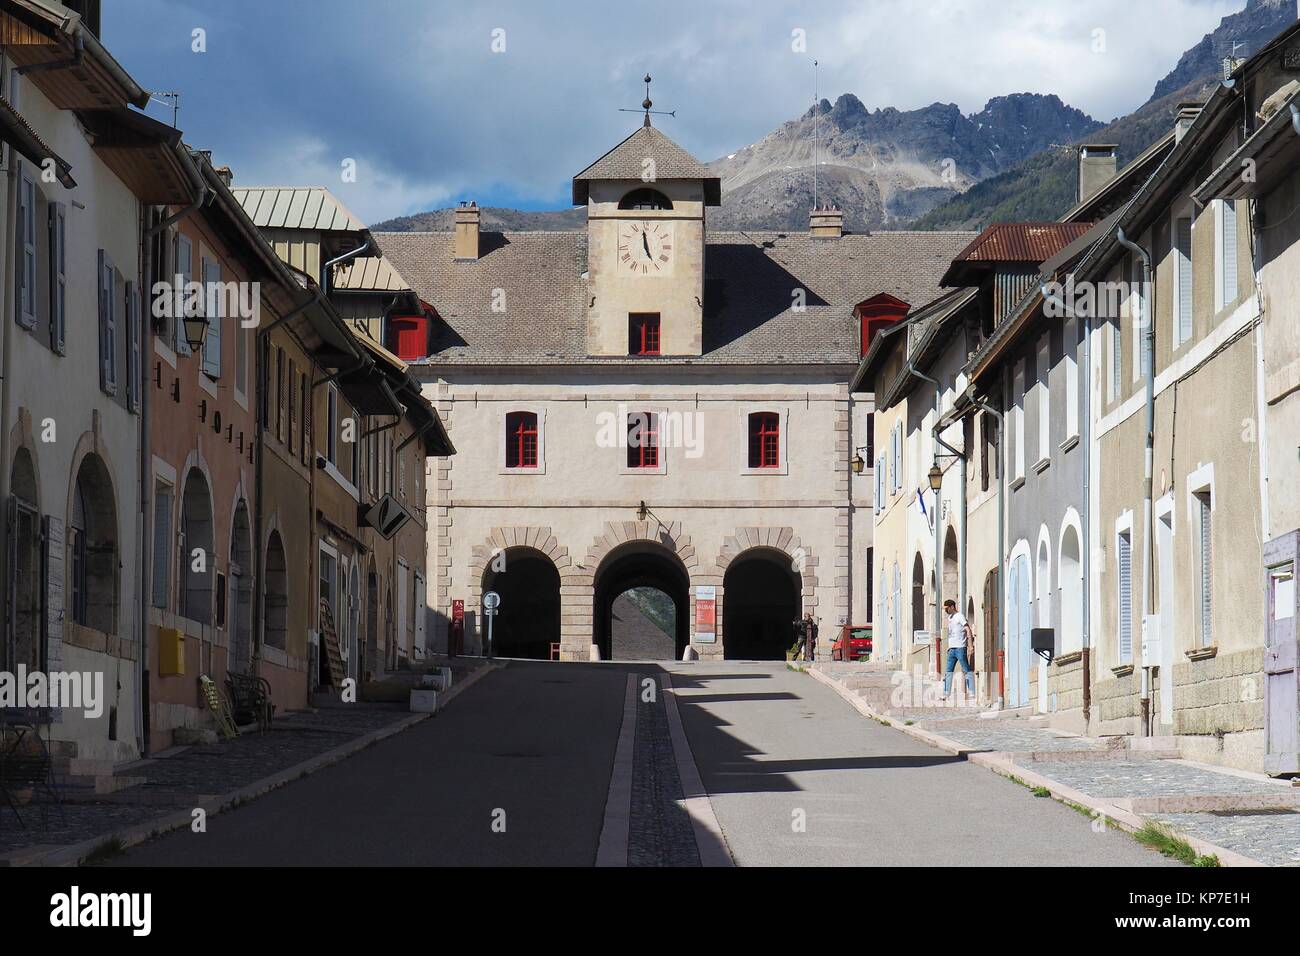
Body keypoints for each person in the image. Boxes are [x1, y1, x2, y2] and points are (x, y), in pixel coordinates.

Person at [941, 599, 975, 699]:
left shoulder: (960, 616)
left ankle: (972, 692)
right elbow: (952, 633)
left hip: (960, 647)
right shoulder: (950, 618)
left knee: (966, 669)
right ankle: (946, 693)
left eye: (947, 608)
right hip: (952, 649)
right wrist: (949, 646)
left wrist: (970, 645)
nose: (945, 611)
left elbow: (967, 629)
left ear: (952, 607)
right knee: (948, 671)